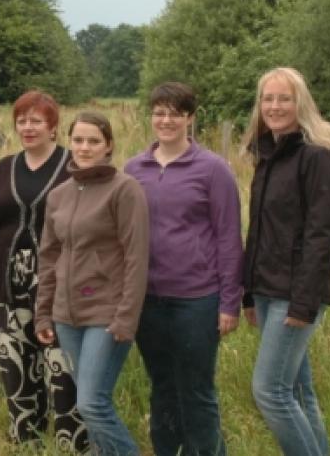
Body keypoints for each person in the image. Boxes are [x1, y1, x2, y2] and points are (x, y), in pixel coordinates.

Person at [124, 82, 243, 456]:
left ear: (190, 118)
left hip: (197, 299)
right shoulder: (133, 169)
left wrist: (229, 303)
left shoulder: (212, 170)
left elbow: (228, 238)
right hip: (148, 299)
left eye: (175, 113)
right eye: (159, 112)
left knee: (196, 389)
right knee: (161, 386)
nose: (166, 120)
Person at [240, 67, 330, 456]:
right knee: (299, 392)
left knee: (269, 391)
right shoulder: (268, 156)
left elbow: (322, 236)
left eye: (283, 98)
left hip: (296, 296)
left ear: (300, 103)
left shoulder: (318, 158)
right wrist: (249, 294)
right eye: (268, 99)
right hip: (267, 291)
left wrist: (303, 304)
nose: (274, 106)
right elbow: (259, 231)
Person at [0, 91, 88, 452]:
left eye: (36, 120)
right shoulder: (4, 168)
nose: (28, 127)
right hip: (9, 290)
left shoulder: (74, 165)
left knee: (63, 375)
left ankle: (72, 446)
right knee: (17, 377)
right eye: (22, 120)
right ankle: (27, 445)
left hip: (60, 292)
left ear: (53, 126)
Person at [35, 110, 150, 456]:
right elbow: (49, 256)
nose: (84, 147)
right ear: (69, 143)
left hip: (107, 313)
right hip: (66, 316)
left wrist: (126, 317)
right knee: (91, 404)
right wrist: (43, 313)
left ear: (108, 145)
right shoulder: (59, 195)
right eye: (78, 140)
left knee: (91, 403)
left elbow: (136, 256)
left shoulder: (125, 189)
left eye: (93, 141)